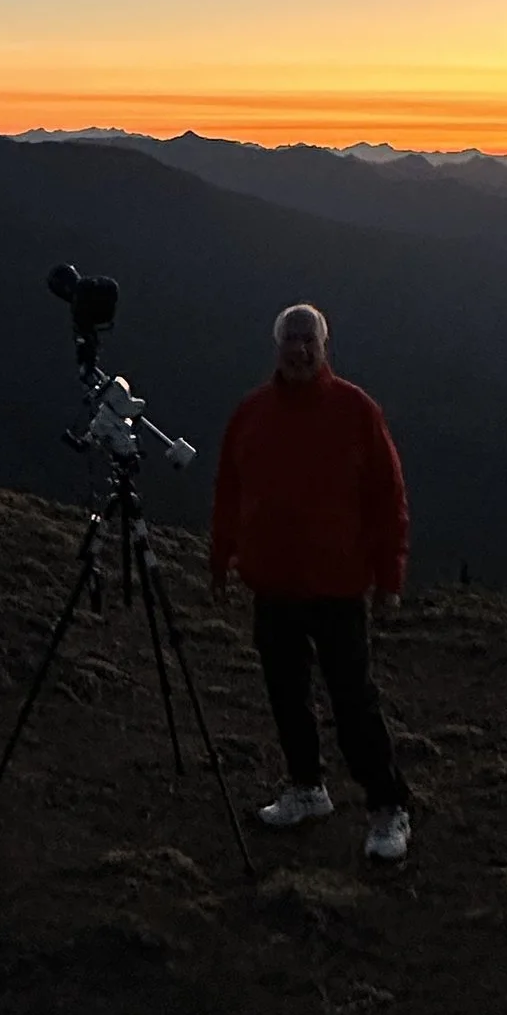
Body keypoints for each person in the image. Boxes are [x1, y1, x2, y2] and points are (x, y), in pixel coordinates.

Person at [207, 301, 412, 866]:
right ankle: (306, 788)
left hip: (337, 585)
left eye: (308, 341)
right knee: (286, 694)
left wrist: (389, 577)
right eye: (290, 340)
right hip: (272, 583)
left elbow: (387, 499)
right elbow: (230, 489)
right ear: (277, 347)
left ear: (324, 347)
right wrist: (221, 558)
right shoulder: (251, 413)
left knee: (352, 700)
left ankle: (388, 806)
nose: (298, 350)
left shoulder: (355, 410)